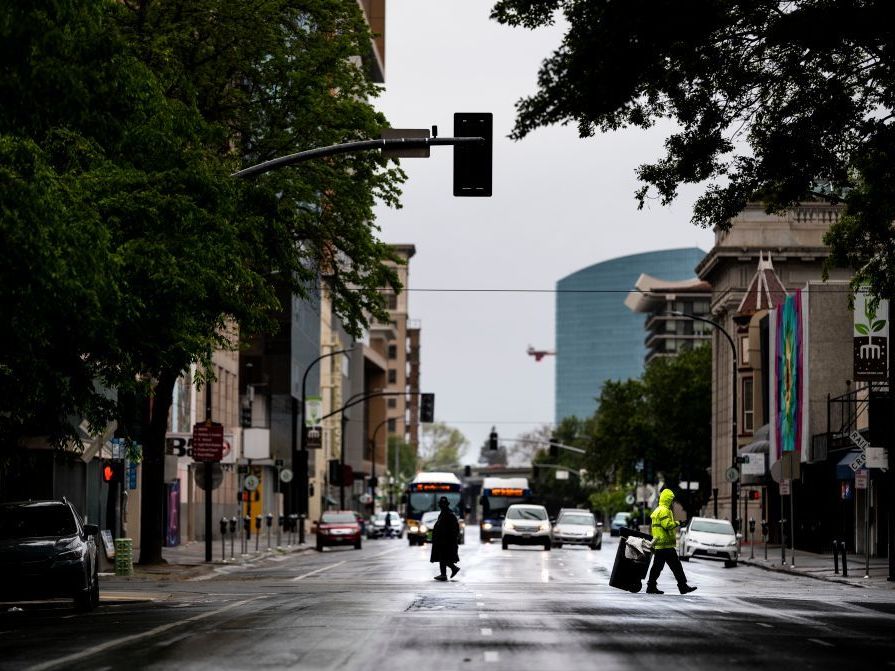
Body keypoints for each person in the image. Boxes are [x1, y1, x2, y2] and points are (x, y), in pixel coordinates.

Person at [646, 488, 696, 595]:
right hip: (666, 545)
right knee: (676, 567)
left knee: (657, 568)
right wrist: (678, 523)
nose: (672, 502)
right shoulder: (664, 510)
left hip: (659, 545)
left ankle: (651, 586)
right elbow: (667, 525)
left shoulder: (657, 510)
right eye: (671, 500)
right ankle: (683, 586)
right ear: (667, 499)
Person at [430, 496, 460, 581]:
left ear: (446, 504)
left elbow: (454, 529)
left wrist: (451, 539)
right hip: (442, 540)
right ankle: (446, 572)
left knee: (443, 557)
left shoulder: (449, 514)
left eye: (442, 504)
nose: (441, 505)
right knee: (442, 557)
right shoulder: (444, 513)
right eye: (440, 504)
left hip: (446, 541)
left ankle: (448, 572)